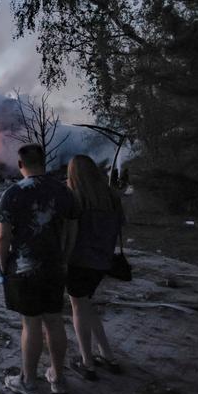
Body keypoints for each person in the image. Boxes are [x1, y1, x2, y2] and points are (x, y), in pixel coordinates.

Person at [0, 144, 78, 394]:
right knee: (55, 321)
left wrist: (3, 266)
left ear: (21, 165)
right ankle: (58, 378)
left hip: (24, 269)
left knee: (31, 324)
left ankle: (29, 382)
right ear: (44, 161)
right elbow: (72, 229)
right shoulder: (64, 191)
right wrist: (64, 256)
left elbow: (3, 237)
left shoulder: (12, 194)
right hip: (55, 266)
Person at [65, 155, 124, 380]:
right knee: (87, 306)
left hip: (78, 263)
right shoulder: (111, 197)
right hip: (101, 263)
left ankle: (87, 363)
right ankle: (108, 356)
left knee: (79, 309)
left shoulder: (76, 199)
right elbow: (118, 228)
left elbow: (70, 235)